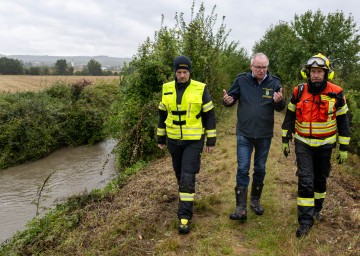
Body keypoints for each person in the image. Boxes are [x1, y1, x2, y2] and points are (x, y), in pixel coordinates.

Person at [281, 53, 351, 238]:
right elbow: (290, 115)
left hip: (326, 145)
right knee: (305, 180)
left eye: (320, 71)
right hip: (303, 143)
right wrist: (285, 137)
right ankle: (305, 221)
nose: (316, 75)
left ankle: (317, 208)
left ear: (326, 73)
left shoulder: (337, 92)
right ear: (308, 73)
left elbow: (344, 121)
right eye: (313, 71)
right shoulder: (298, 91)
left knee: (320, 179)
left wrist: (343, 147)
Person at [157, 55, 217, 234]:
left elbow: (210, 115)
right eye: (179, 72)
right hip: (174, 141)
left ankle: (184, 216)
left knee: (187, 176)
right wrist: (161, 138)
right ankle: (186, 197)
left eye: (185, 72)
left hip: (194, 141)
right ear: (175, 72)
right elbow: (162, 116)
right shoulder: (166, 89)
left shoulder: (200, 88)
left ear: (190, 72)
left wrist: (211, 140)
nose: (182, 75)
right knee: (179, 174)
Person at [223, 53, 285, 221]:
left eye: (264, 67)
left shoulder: (274, 82)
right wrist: (227, 101)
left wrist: (279, 101)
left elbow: (280, 108)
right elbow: (230, 98)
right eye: (258, 67)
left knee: (260, 168)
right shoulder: (241, 80)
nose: (261, 70)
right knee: (243, 168)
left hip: (264, 134)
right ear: (251, 66)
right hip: (244, 133)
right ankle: (241, 207)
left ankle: (255, 201)